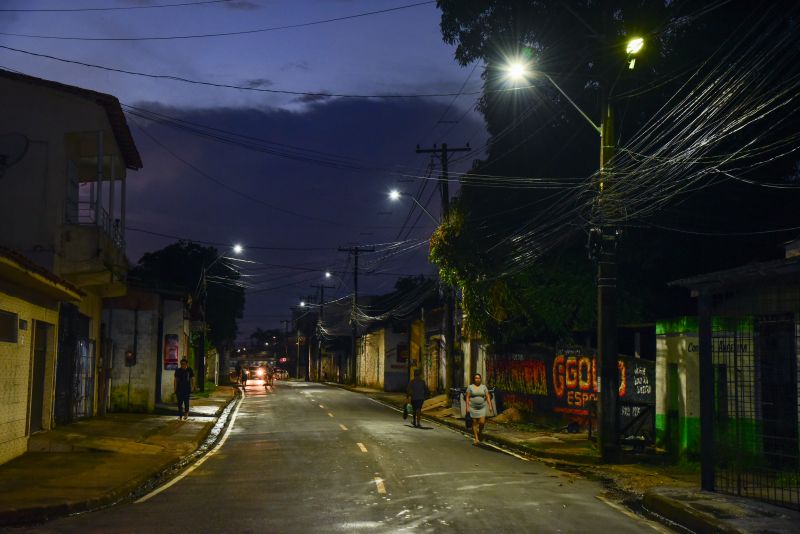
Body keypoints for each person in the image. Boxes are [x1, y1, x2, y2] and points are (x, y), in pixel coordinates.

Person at [466, 373, 492, 445]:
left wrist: (490, 406)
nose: (477, 379)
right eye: (476, 378)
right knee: (474, 422)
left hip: (482, 407)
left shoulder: (484, 387)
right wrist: (467, 407)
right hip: (473, 407)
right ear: (474, 379)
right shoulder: (470, 387)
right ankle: (476, 438)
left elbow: (487, 396)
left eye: (479, 378)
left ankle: (480, 432)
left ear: (480, 379)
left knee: (482, 422)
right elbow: (467, 397)